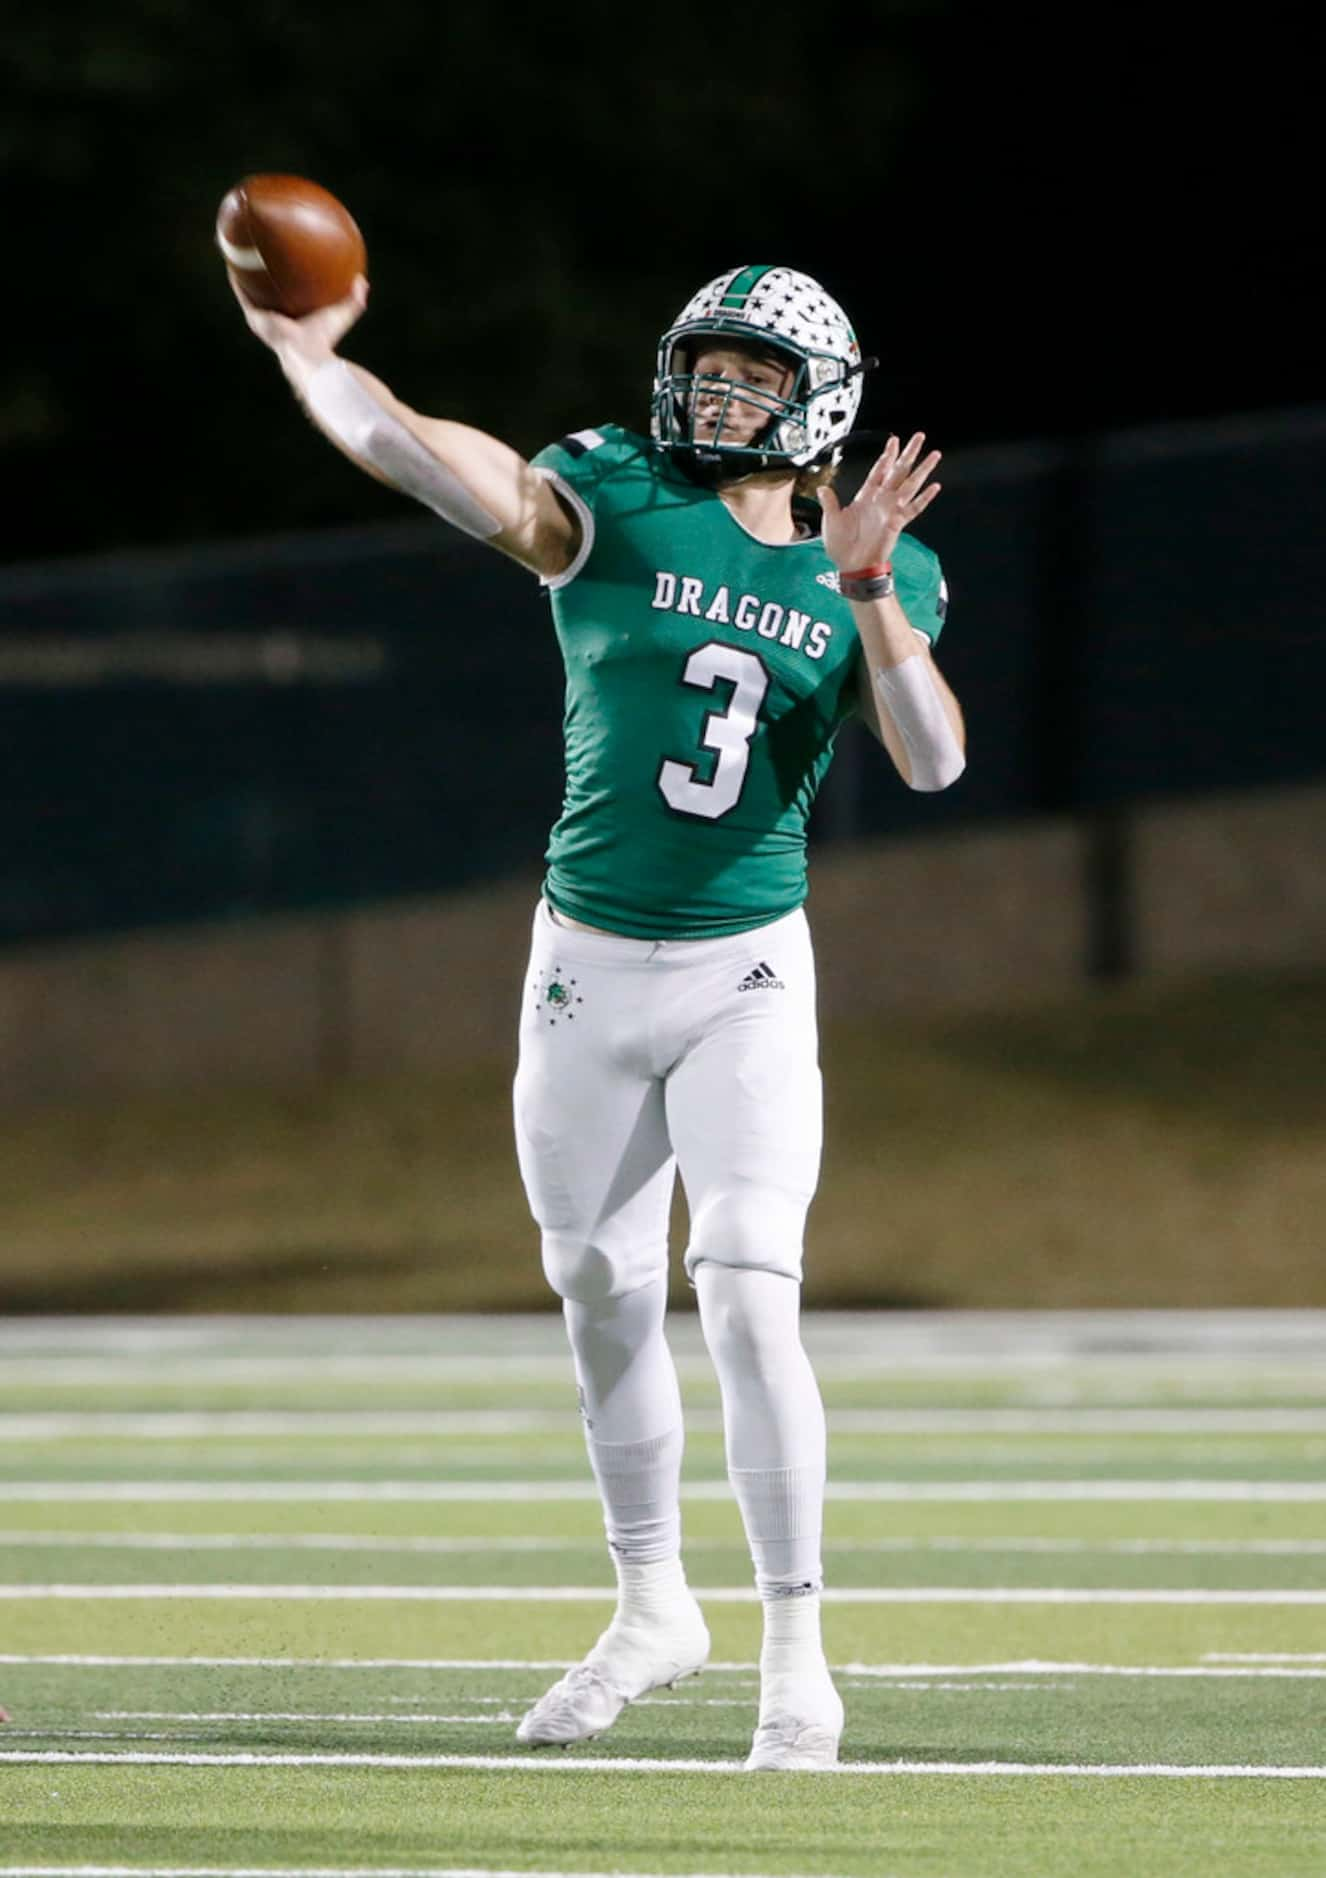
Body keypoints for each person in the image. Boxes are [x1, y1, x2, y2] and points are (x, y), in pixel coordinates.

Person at [234, 260, 965, 1770]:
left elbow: (934, 761)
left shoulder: (874, 559)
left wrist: (870, 589)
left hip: (745, 966)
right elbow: (428, 456)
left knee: (750, 1283)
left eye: (754, 372)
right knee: (591, 1281)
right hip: (580, 960)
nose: (717, 390)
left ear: (817, 396)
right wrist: (311, 355)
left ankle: (796, 1649)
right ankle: (650, 1604)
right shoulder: (613, 496)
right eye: (707, 360)